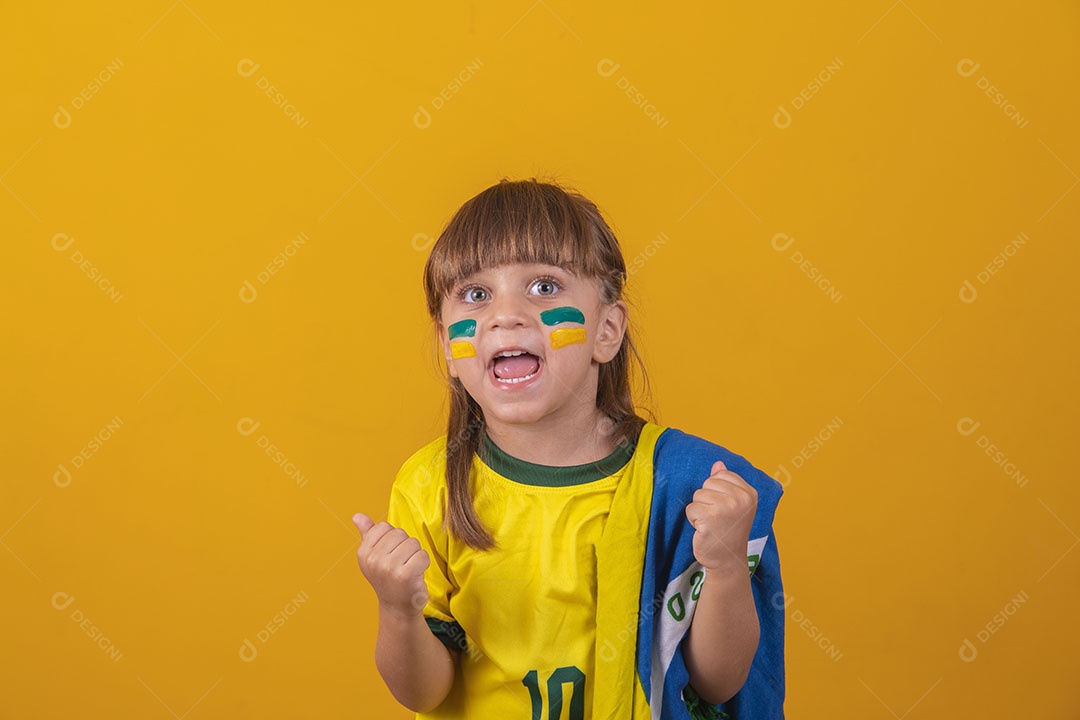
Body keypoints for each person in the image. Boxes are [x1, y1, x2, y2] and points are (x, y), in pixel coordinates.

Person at [352, 178, 785, 719]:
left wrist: (722, 567)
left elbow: (716, 684)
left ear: (607, 330)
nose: (504, 315)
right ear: (447, 345)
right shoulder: (427, 487)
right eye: (476, 294)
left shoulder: (686, 485)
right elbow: (424, 693)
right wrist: (397, 607)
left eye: (543, 287)